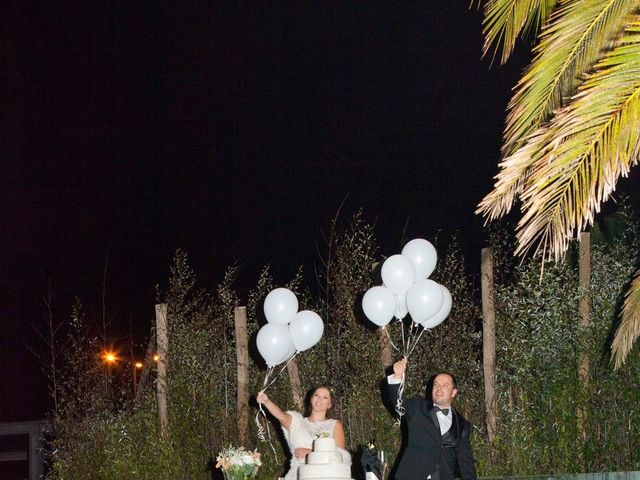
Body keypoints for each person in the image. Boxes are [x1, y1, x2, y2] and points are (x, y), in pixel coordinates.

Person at [386, 357, 477, 480]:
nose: (439, 388)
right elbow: (398, 403)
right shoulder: (418, 407)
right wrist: (397, 377)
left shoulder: (463, 425)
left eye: (445, 385)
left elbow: (466, 462)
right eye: (436, 385)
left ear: (454, 392)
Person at [257, 385, 351, 480]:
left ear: (330, 404)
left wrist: (311, 454)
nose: (319, 399)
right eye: (316, 395)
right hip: (298, 474)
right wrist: (266, 401)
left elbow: (341, 456)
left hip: (324, 474)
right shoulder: (297, 421)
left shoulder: (334, 424)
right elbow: (281, 415)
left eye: (325, 397)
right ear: (311, 399)